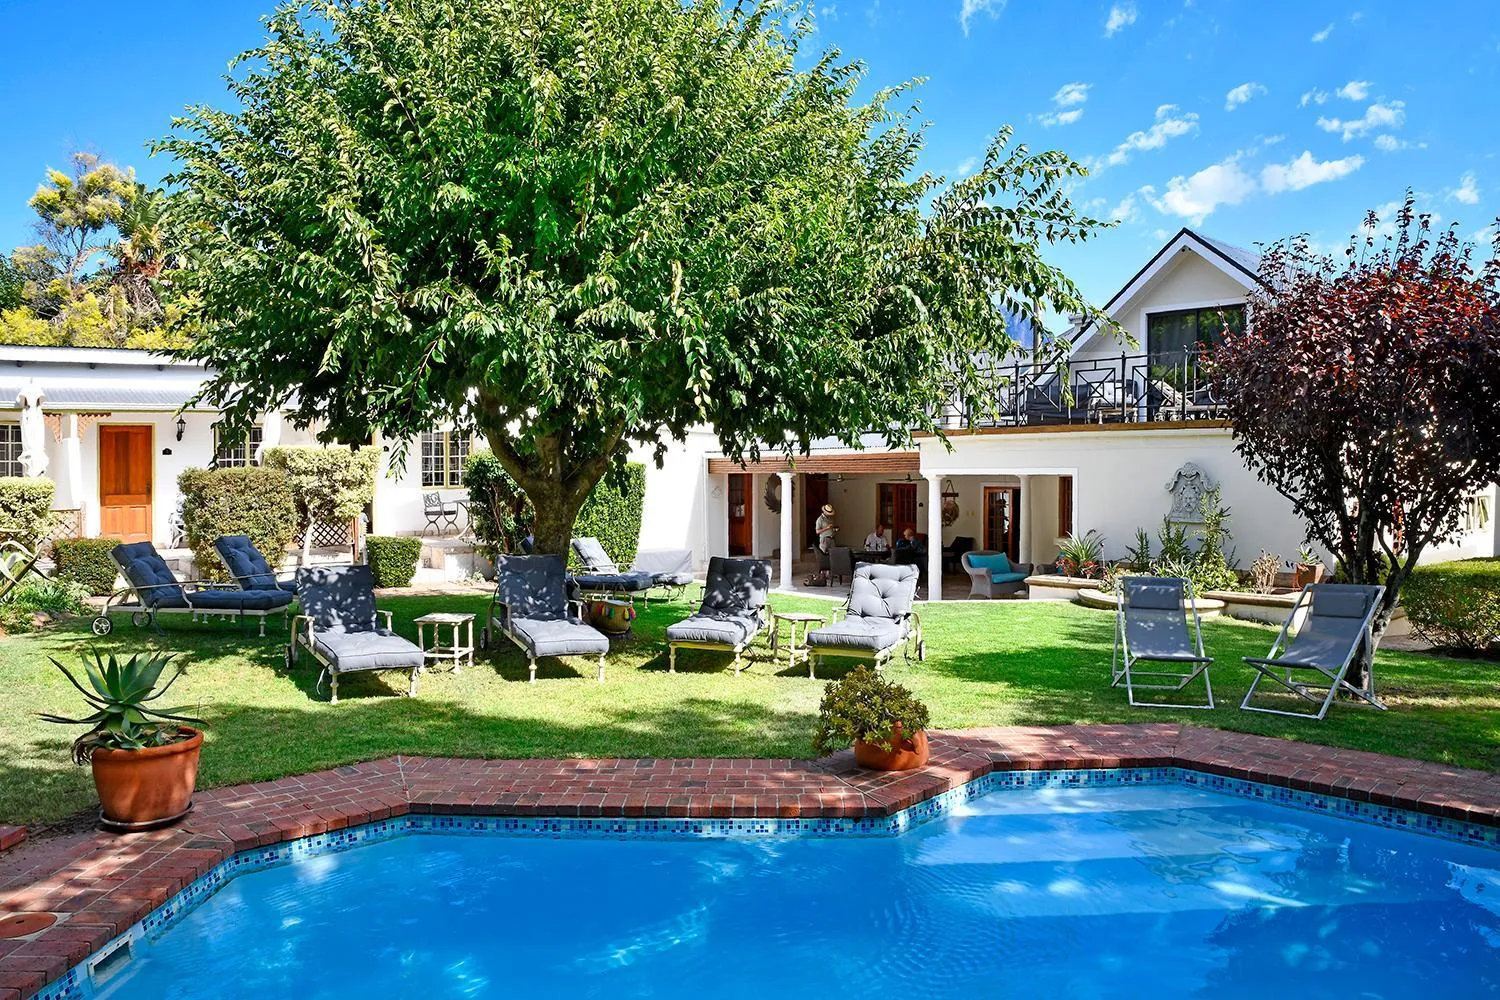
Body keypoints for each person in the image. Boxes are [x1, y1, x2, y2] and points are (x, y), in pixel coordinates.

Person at [808, 503, 838, 585]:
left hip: (831, 539)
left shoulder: (830, 519)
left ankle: (831, 573)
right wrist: (826, 528)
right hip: (824, 540)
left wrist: (834, 530)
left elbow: (831, 528)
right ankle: (823, 575)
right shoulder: (820, 520)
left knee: (833, 556)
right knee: (823, 556)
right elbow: (817, 531)